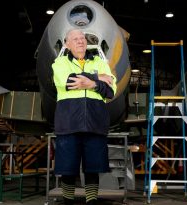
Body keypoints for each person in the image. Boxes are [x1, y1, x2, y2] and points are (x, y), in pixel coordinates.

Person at [52, 29, 117, 205]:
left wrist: (91, 83)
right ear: (67, 44)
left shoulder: (101, 62)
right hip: (68, 123)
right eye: (75, 38)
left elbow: (111, 90)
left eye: (82, 38)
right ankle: (68, 201)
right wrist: (97, 78)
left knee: (92, 168)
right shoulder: (59, 63)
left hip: (95, 123)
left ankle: (91, 201)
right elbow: (69, 81)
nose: (80, 41)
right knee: (68, 169)